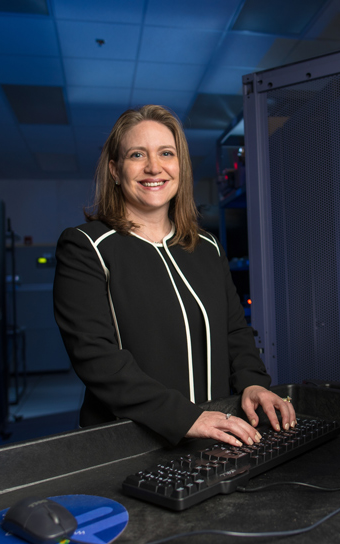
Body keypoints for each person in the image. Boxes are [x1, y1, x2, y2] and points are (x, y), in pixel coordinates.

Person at [53, 104, 295, 448]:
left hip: (215, 435)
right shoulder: (86, 247)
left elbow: (234, 331)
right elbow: (95, 357)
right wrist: (186, 417)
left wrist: (254, 383)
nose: (154, 167)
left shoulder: (207, 247)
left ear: (180, 166)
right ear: (115, 171)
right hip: (129, 443)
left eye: (166, 153)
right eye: (137, 154)